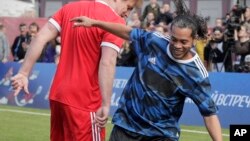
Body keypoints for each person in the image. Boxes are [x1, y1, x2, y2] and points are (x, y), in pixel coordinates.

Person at [70, 0, 223, 141]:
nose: (177, 45)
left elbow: (209, 113)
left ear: (194, 40)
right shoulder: (154, 42)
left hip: (161, 134)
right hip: (126, 127)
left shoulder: (196, 72)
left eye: (184, 42)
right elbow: (127, 32)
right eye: (174, 39)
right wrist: (95, 23)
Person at [10, 0, 140, 141]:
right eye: (128, 7)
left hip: (58, 96)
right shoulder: (114, 22)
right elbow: (107, 62)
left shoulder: (70, 8)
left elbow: (40, 38)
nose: (127, 13)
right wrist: (106, 104)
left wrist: (24, 73)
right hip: (85, 101)